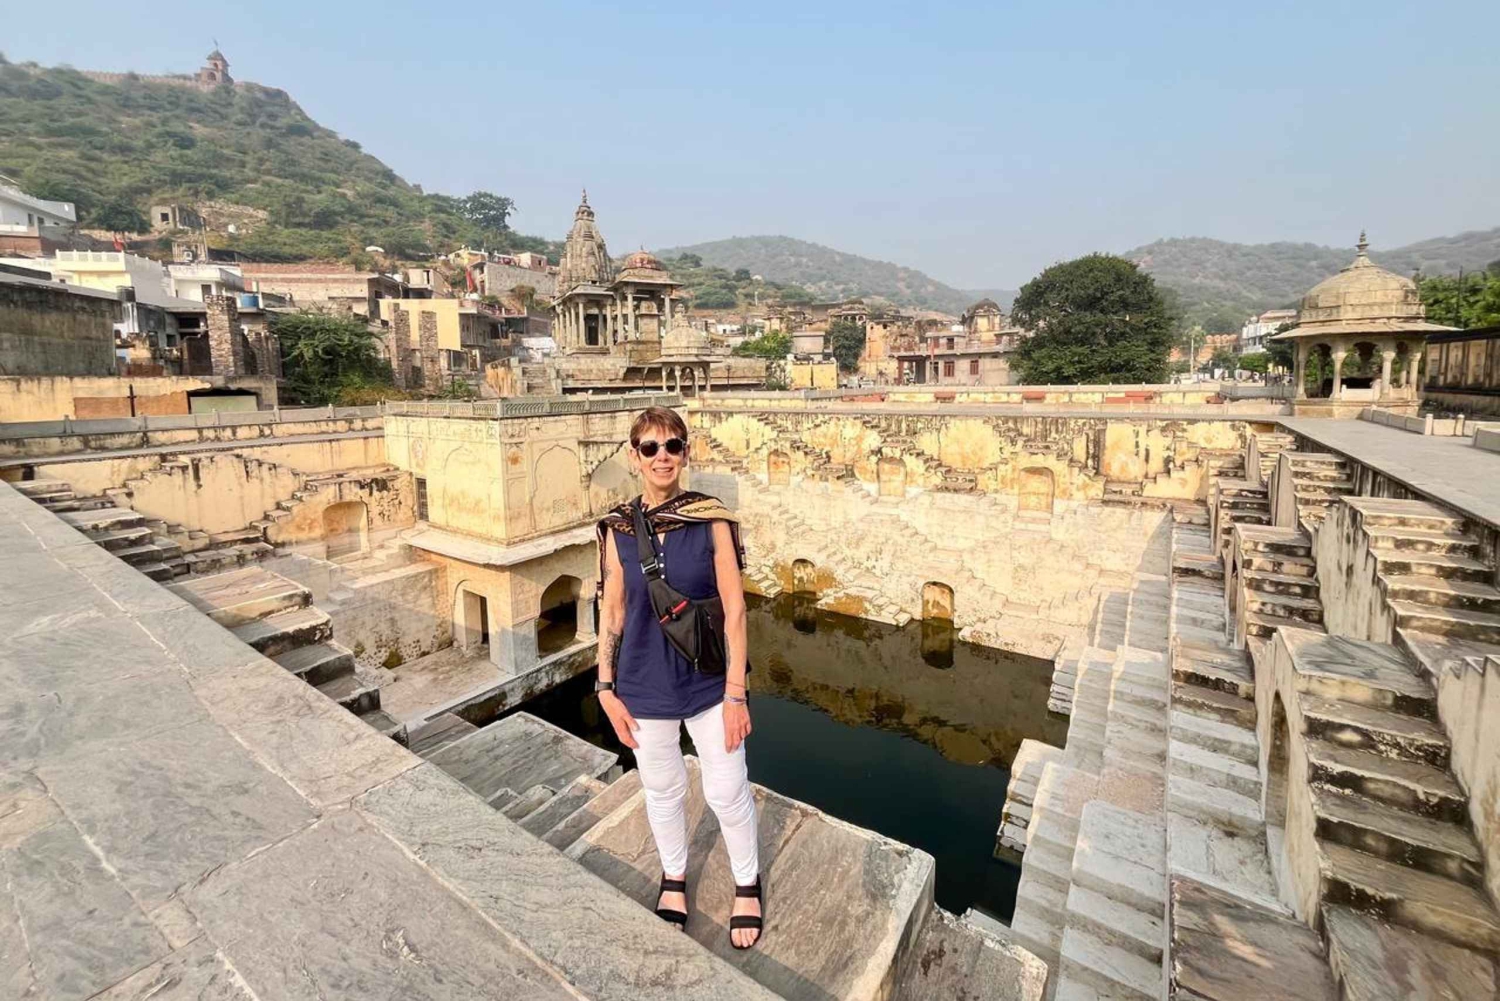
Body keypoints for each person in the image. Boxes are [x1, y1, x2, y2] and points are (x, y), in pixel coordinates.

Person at [593, 406, 763, 950]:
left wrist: (736, 694)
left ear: (686, 453)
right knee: (662, 790)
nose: (662, 457)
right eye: (650, 447)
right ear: (634, 456)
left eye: (672, 446)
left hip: (708, 683)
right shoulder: (618, 528)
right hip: (642, 684)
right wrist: (604, 687)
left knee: (727, 790)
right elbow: (612, 610)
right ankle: (673, 876)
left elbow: (735, 611)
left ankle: (747, 882)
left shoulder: (711, 519)